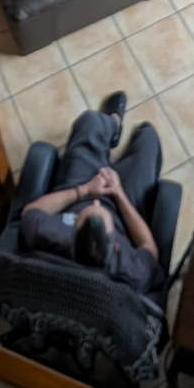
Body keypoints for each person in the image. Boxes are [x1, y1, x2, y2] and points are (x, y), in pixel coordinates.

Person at [19, 92, 165, 296]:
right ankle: (125, 130)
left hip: (80, 188)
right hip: (121, 208)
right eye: (98, 208)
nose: (96, 203)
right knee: (149, 139)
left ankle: (113, 123)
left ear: (70, 237)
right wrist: (119, 194)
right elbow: (148, 247)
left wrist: (85, 190)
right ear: (116, 246)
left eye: (83, 215)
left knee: (91, 121)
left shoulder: (50, 237)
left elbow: (31, 210)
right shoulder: (131, 270)